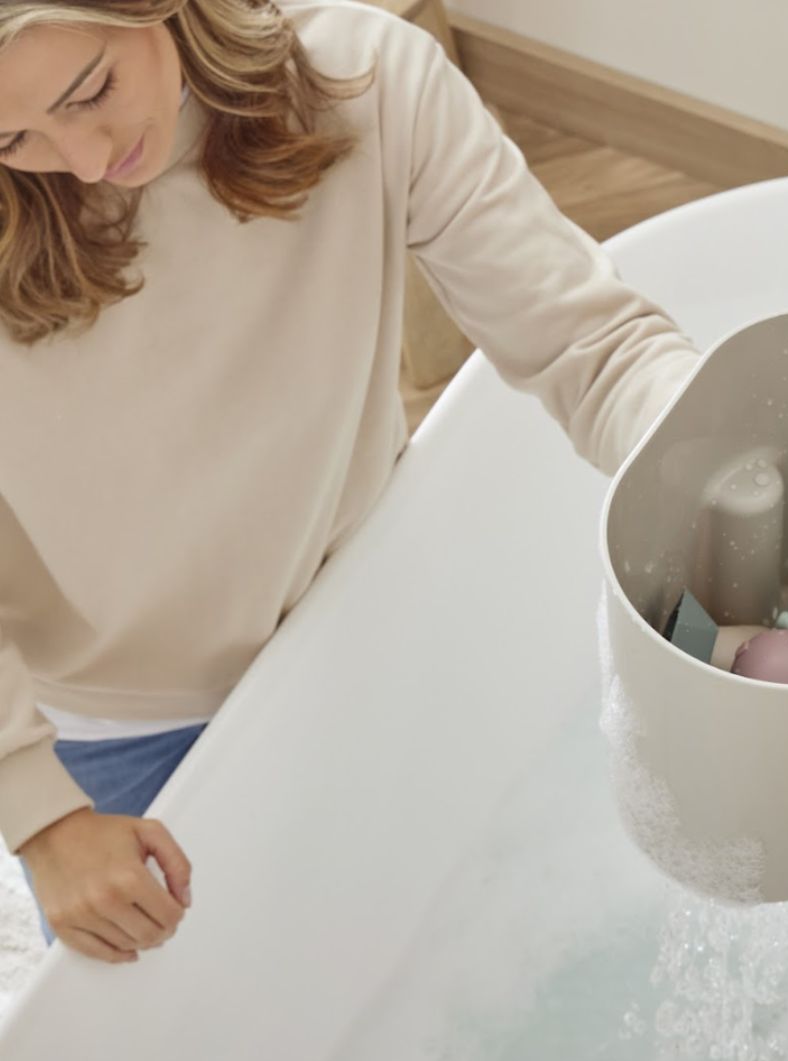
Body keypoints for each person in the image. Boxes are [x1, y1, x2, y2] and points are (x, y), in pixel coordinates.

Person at [0, 0, 699, 965]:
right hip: (119, 722)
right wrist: (38, 814)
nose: (83, 160)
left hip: (366, 616)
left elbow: (593, 345)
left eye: (91, 91)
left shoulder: (367, 84)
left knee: (456, 941)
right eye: (12, 139)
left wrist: (721, 471)